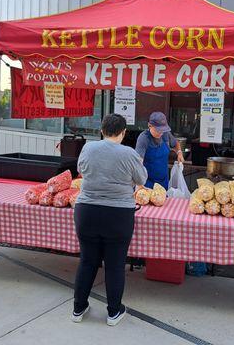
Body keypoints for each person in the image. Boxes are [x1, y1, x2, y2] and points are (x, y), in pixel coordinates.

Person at [72, 114, 148, 326]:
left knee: (87, 261)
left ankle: (78, 308)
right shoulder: (129, 153)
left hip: (86, 211)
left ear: (102, 131)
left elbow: (82, 170)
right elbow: (142, 179)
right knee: (115, 264)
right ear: (123, 133)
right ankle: (114, 312)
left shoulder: (88, 148)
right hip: (118, 215)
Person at [135, 112, 184, 189]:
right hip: (147, 182)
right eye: (158, 130)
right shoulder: (143, 138)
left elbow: (176, 144)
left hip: (164, 181)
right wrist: (139, 184)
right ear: (149, 126)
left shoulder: (166, 134)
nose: (160, 133)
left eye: (162, 130)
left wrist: (179, 152)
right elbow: (138, 163)